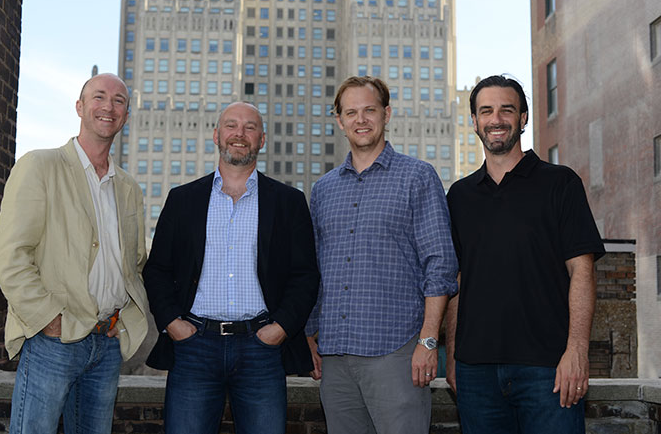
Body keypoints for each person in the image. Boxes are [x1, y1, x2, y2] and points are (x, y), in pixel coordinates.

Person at [143, 102, 320, 434]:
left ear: (261, 139)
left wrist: (280, 328)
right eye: (231, 125)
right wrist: (173, 324)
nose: (240, 134)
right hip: (194, 346)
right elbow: (157, 270)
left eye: (250, 127)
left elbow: (305, 276)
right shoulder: (183, 199)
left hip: (261, 348)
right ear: (216, 135)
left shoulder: (288, 201)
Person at [445, 75, 605, 434]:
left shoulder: (560, 183)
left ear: (523, 118)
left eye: (507, 110)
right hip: (475, 372)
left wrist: (577, 350)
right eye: (486, 111)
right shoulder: (459, 196)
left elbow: (582, 271)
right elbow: (456, 281)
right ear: (474, 121)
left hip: (548, 369)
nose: (496, 119)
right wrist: (453, 355)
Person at [0, 73, 149, 433]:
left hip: (106, 342)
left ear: (126, 116)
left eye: (119, 101)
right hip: (53, 341)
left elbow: (134, 263)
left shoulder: (128, 188)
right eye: (99, 97)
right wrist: (48, 319)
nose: (108, 106)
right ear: (80, 107)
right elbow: (11, 256)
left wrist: (121, 319)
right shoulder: (40, 166)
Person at [305, 76, 459, 433]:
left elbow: (440, 265)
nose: (361, 120)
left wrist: (428, 341)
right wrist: (309, 336)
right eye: (351, 112)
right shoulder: (324, 190)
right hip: (335, 356)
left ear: (386, 114)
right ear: (339, 120)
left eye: (369, 110)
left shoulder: (417, 177)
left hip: (396, 352)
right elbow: (317, 268)